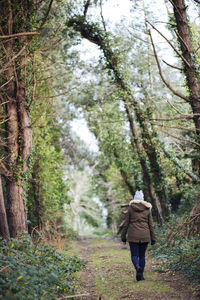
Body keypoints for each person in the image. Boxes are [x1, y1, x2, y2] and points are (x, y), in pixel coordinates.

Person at [121, 191, 156, 281]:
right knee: (142, 256)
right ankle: (141, 276)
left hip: (133, 235)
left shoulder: (130, 209)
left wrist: (123, 237)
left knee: (134, 255)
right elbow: (151, 225)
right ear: (143, 199)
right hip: (145, 235)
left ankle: (137, 267)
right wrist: (153, 238)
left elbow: (126, 224)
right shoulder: (147, 209)